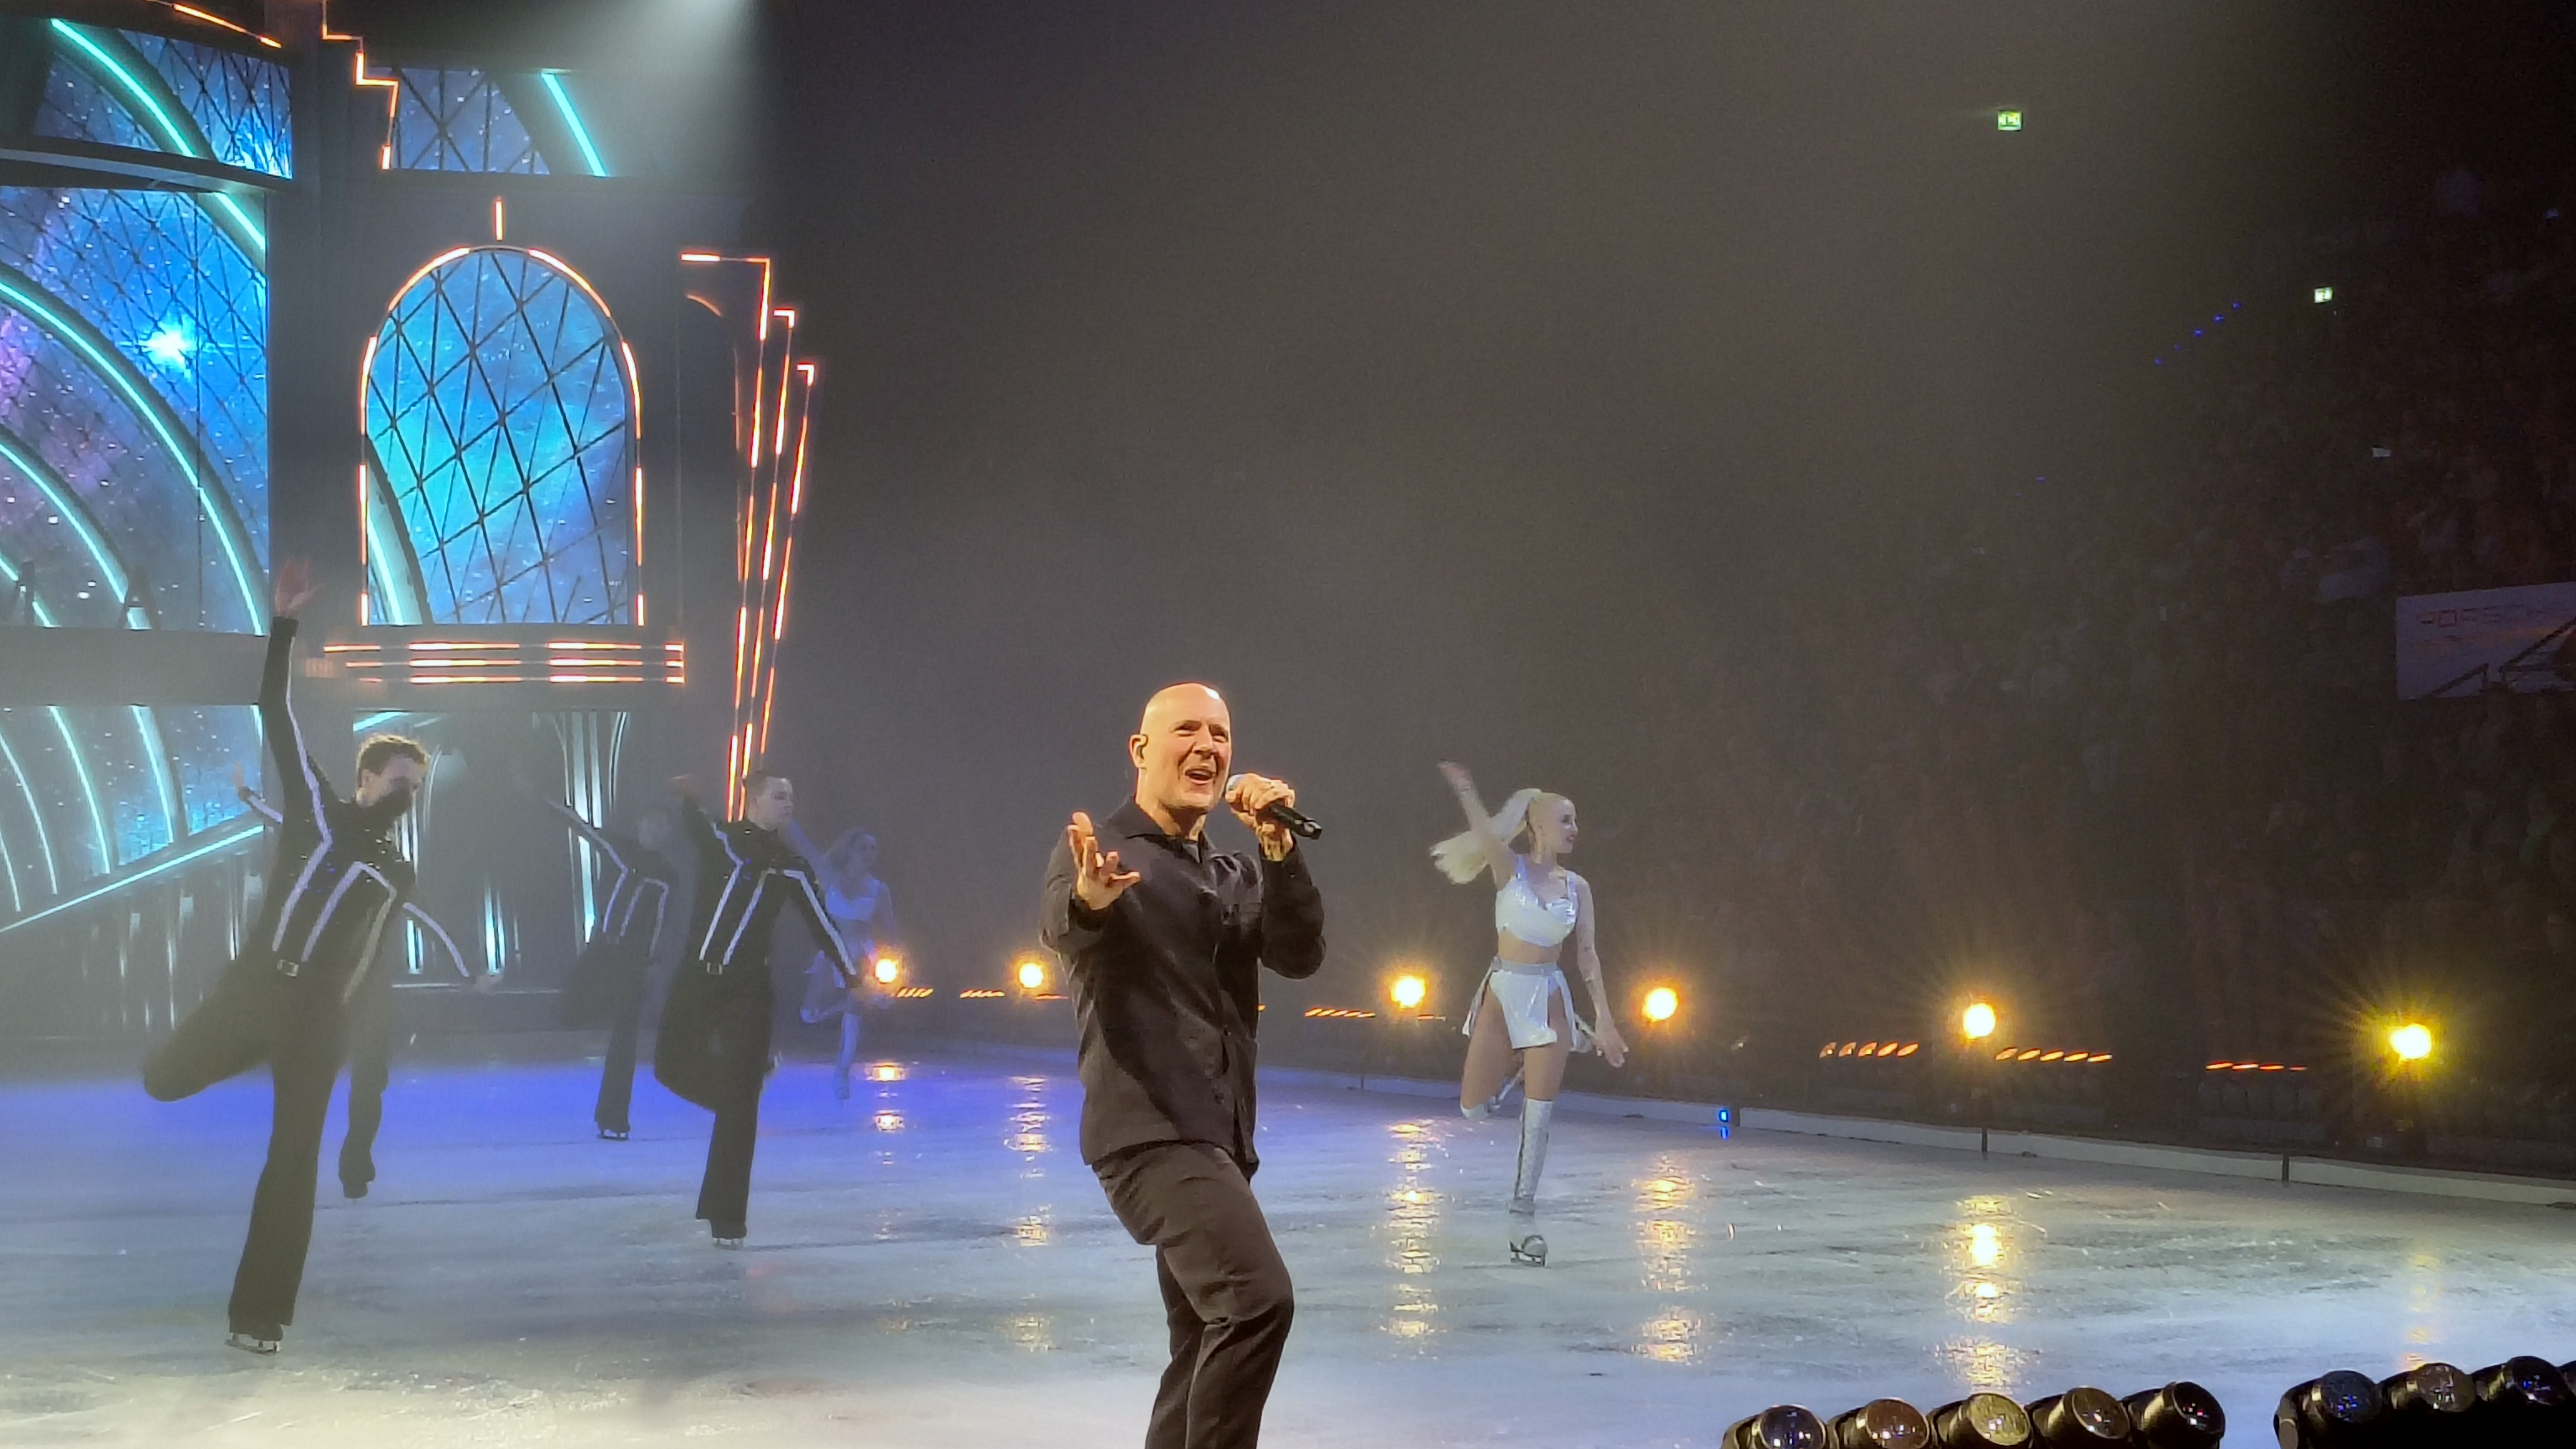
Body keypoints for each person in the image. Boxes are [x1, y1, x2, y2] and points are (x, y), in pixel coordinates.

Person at [142, 559, 428, 1354]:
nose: (406, 794)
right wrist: (284, 627)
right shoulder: (315, 812)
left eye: (416, 787)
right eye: (397, 781)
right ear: (366, 778)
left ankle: (259, 1316)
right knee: (163, 1081)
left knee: (293, 1159)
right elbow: (276, 709)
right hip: (254, 991)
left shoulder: (396, 870)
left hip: (314, 1019)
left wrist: (353, 1036)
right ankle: (237, 1049)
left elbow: (371, 960)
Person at [1041, 684, 1324, 1449]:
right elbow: (1067, 924)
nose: (1207, 746)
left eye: (1220, 735)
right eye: (1187, 731)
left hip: (1221, 1136)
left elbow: (1298, 953)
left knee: (1205, 1334)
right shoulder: (1103, 852)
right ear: (1141, 750)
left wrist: (1278, 849)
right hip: (1151, 1133)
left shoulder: (1232, 872)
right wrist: (1089, 899)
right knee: (1256, 1301)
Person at [232, 770, 477, 1199]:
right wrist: (248, 797)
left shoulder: (391, 867)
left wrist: (467, 974)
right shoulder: (342, 845)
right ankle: (328, 1164)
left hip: (363, 991)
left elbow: (430, 921)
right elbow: (285, 823)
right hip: (327, 983)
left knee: (367, 1079)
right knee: (327, 1078)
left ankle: (354, 1163)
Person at [1433, 761, 1628, 1267]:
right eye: (1565, 820)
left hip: (1549, 998)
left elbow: (1588, 956)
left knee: (1539, 1118)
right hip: (1504, 992)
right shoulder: (1509, 868)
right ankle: (1513, 1069)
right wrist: (1466, 789)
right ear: (1537, 824)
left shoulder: (1577, 887)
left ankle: (1523, 1218)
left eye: (1576, 821)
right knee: (1473, 1108)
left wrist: (1605, 1020)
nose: (1575, 829)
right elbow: (1483, 831)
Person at [655, 769, 854, 1246]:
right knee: (669, 1068)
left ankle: (727, 1219)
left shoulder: (790, 865)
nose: (788, 803)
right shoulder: (722, 840)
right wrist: (688, 796)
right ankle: (741, 1091)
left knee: (740, 1109)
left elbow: (822, 924)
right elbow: (697, 820)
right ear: (754, 801)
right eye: (779, 795)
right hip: (697, 980)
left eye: (791, 796)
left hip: (748, 991)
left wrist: (854, 975)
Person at [526, 781, 677, 1139]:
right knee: (568, 1012)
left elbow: (661, 922)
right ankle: (604, 1006)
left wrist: (653, 962)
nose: (654, 830)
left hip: (631, 961)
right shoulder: (617, 848)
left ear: (667, 833)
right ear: (639, 824)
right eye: (650, 823)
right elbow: (576, 823)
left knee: (625, 1037)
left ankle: (614, 1118)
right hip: (601, 952)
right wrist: (538, 795)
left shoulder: (667, 876)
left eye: (662, 826)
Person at [792, 828, 899, 1099]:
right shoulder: (831, 876)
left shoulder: (879, 889)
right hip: (833, 950)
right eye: (863, 848)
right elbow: (807, 849)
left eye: (873, 849)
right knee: (809, 1014)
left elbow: (892, 932)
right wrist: (788, 822)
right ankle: (860, 1000)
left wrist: (897, 968)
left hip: (862, 953)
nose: (869, 854)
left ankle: (843, 1071)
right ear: (850, 850)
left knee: (855, 1009)